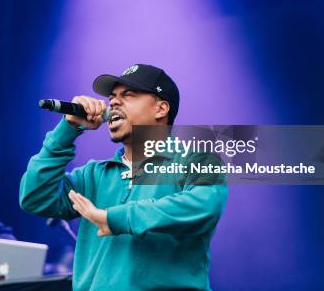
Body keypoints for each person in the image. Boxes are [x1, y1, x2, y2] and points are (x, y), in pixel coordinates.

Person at [20, 64, 228, 291]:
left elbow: (203, 207)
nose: (114, 103)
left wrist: (115, 218)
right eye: (112, 97)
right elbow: (34, 197)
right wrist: (67, 130)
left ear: (161, 109)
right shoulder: (93, 175)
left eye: (128, 95)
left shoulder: (197, 159)